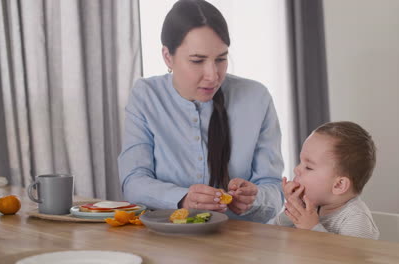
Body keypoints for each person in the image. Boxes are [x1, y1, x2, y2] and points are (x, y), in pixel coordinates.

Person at [118, 0, 284, 223]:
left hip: (242, 245)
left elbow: (274, 188)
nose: (213, 75)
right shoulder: (146, 95)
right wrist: (182, 198)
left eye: (221, 59)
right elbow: (133, 181)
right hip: (169, 240)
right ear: (168, 57)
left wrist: (255, 198)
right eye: (197, 60)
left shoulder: (256, 98)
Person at [274, 121, 380, 239]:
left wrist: (312, 229)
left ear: (339, 185)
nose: (296, 169)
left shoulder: (356, 220)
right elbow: (276, 232)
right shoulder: (313, 204)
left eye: (308, 167)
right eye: (300, 162)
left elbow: (350, 257)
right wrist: (294, 208)